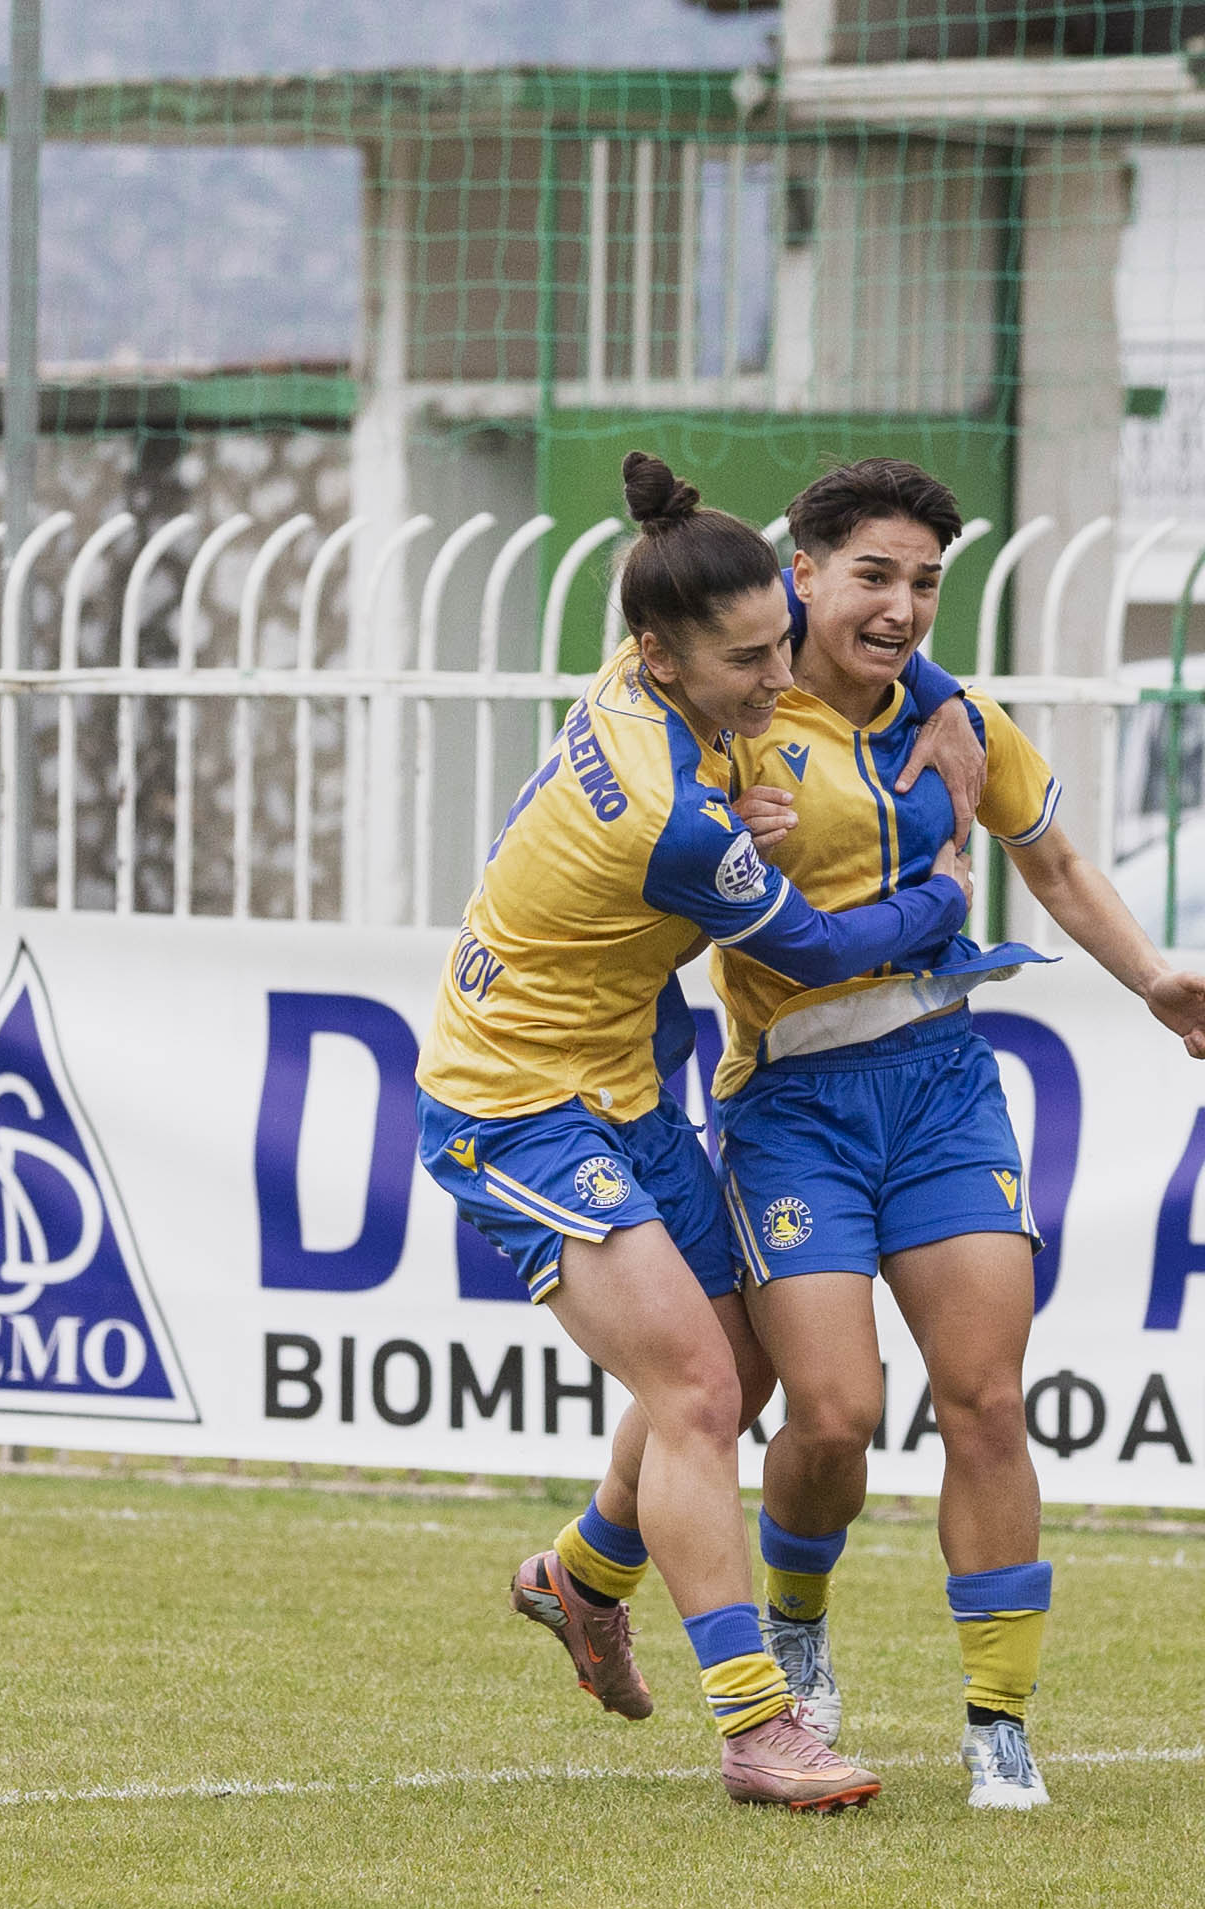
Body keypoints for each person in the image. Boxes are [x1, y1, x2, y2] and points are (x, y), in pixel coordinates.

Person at [530, 457, 1205, 1811]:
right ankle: (789, 1629)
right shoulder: (731, 714)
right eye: (873, 574)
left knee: (986, 1397)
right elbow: (751, 895)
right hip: (791, 1100)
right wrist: (908, 884)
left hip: (940, 1086)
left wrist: (1152, 978)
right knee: (832, 1412)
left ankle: (999, 1721)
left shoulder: (953, 714)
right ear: (796, 573)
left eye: (925, 582)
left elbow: (1054, 861)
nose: (903, 607)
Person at [414, 451, 978, 1811]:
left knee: (741, 1363)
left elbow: (812, 664)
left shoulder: (661, 656)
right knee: (700, 1395)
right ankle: (755, 1724)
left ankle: (582, 1575)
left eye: (782, 642)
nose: (780, 677)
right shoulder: (668, 815)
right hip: (512, 1100)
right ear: (659, 657)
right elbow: (823, 947)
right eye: (748, 662)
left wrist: (912, 710)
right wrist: (948, 893)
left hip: (619, 1080)